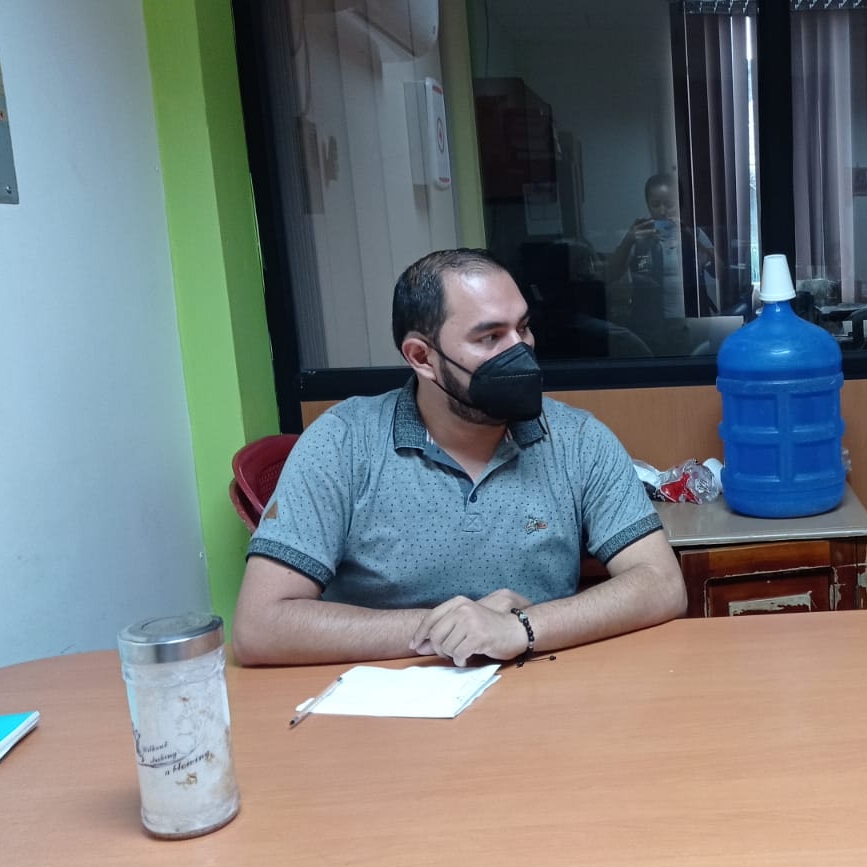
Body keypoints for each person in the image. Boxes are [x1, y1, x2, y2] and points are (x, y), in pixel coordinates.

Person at [233, 249, 687, 666]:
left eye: (523, 328)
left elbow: (662, 584)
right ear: (422, 357)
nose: (520, 351)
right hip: (386, 704)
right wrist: (454, 630)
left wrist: (518, 629)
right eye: (490, 337)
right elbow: (259, 627)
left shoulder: (578, 439)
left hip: (539, 691)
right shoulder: (342, 442)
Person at [606, 173, 719, 354]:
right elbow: (610, 276)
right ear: (647, 205)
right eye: (655, 204)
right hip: (650, 326)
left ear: (679, 204)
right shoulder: (639, 236)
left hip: (690, 324)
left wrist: (689, 236)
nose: (662, 211)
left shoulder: (693, 234)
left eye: (669, 204)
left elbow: (720, 271)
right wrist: (628, 240)